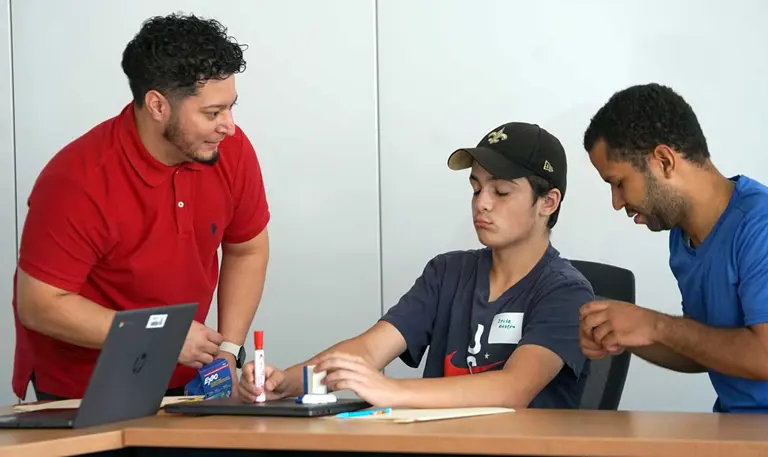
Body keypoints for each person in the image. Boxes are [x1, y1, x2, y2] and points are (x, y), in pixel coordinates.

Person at [239, 122, 594, 409]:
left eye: (500, 192)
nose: (482, 204)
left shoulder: (566, 291)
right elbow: (368, 351)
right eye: (475, 188)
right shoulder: (448, 272)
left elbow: (514, 389)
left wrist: (389, 391)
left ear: (548, 202)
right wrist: (286, 382)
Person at [12, 13, 270, 401]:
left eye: (230, 107)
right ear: (157, 105)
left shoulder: (228, 150)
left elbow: (247, 247)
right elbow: (40, 305)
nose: (229, 126)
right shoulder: (77, 180)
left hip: (190, 377)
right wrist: (160, 336)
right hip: (84, 389)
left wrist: (227, 353)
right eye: (212, 113)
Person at [580, 82, 768, 413]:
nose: (616, 202)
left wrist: (653, 324)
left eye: (619, 183)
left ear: (664, 161)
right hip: (733, 431)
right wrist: (622, 332)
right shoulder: (681, 238)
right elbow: (703, 345)